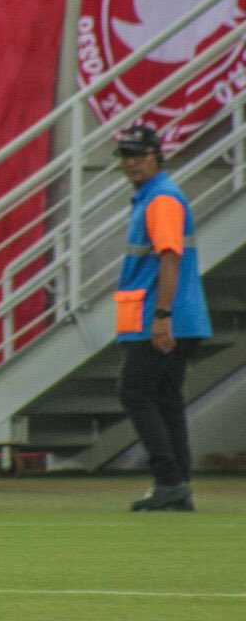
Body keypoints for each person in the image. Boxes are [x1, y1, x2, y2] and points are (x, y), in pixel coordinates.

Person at [112, 126, 211, 512]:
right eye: (125, 155)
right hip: (174, 314)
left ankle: (169, 480)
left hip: (161, 315)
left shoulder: (162, 199)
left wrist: (161, 317)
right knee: (166, 400)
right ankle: (178, 484)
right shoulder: (154, 196)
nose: (131, 162)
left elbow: (170, 257)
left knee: (135, 393)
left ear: (157, 156)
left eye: (138, 154)